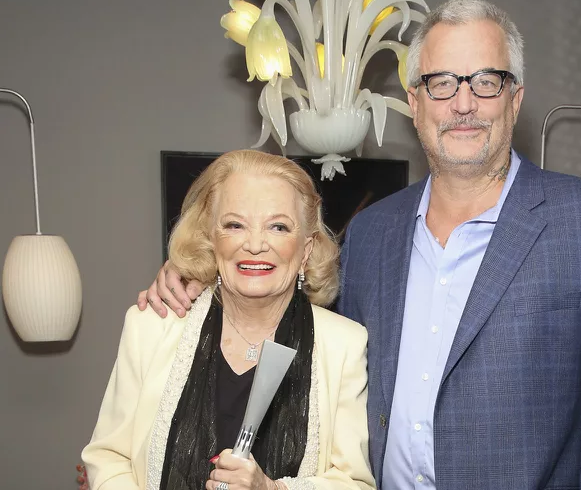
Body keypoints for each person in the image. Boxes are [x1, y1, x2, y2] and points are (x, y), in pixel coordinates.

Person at [139, 0, 581, 489]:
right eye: (440, 82)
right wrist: (197, 278)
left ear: (515, 98)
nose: (463, 103)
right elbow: (300, 327)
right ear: (414, 102)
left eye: (486, 81)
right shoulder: (372, 232)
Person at [84, 149, 376, 490]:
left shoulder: (344, 344)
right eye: (235, 225)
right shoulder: (151, 325)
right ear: (211, 237)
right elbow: (108, 458)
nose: (254, 244)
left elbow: (354, 483)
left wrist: (271, 489)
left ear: (306, 249)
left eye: (278, 226)